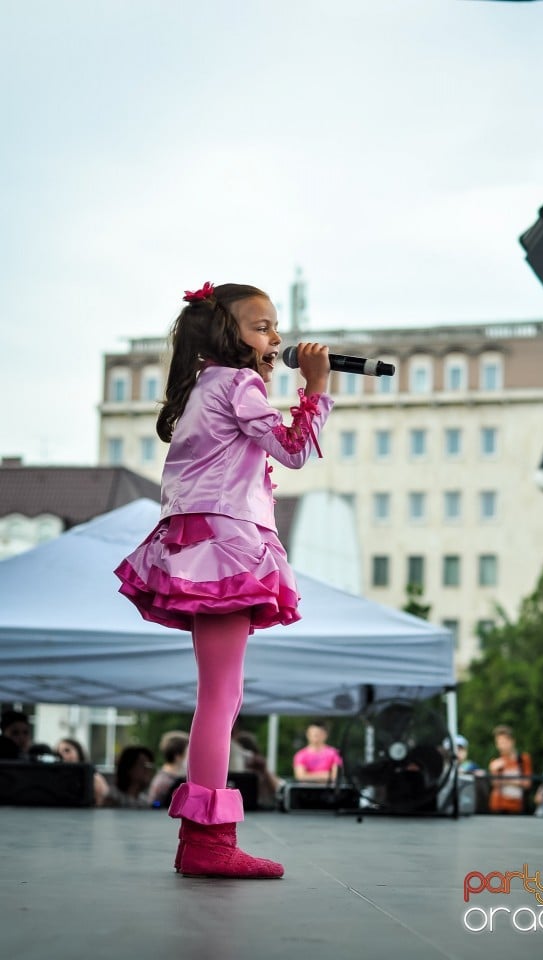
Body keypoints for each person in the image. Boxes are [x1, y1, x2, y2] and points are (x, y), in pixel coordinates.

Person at [115, 281, 332, 879]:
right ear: (224, 333)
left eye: (275, 326)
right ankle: (210, 842)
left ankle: (202, 840)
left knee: (221, 694)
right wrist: (316, 386)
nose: (278, 337)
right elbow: (294, 450)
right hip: (225, 545)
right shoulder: (238, 384)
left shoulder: (203, 388)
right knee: (219, 698)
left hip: (199, 540)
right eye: (262, 326)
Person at [487, 724, 532, 814]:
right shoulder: (495, 761)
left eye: (503, 742)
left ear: (512, 741)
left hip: (516, 807)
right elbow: (494, 783)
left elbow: (527, 783)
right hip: (497, 806)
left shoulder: (523, 760)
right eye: (498, 743)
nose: (500, 746)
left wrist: (504, 779)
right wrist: (493, 770)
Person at [55, 737, 110, 807]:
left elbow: (101, 804)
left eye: (67, 750)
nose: (62, 755)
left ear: (79, 752)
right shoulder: (56, 779)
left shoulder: (93, 777)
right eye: (58, 753)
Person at [147, 731, 189, 808]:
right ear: (177, 756)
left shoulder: (183, 777)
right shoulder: (162, 781)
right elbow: (154, 805)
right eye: (188, 753)